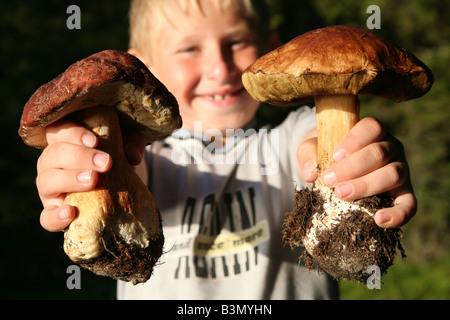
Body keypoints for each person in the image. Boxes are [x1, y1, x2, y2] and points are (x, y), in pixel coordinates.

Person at [36, 0, 416, 299]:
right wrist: (73, 169)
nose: (219, 67)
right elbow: (121, 176)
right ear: (142, 66)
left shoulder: (285, 141)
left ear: (272, 50)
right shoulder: (144, 160)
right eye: (189, 48)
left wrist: (362, 156)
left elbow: (310, 141)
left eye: (236, 42)